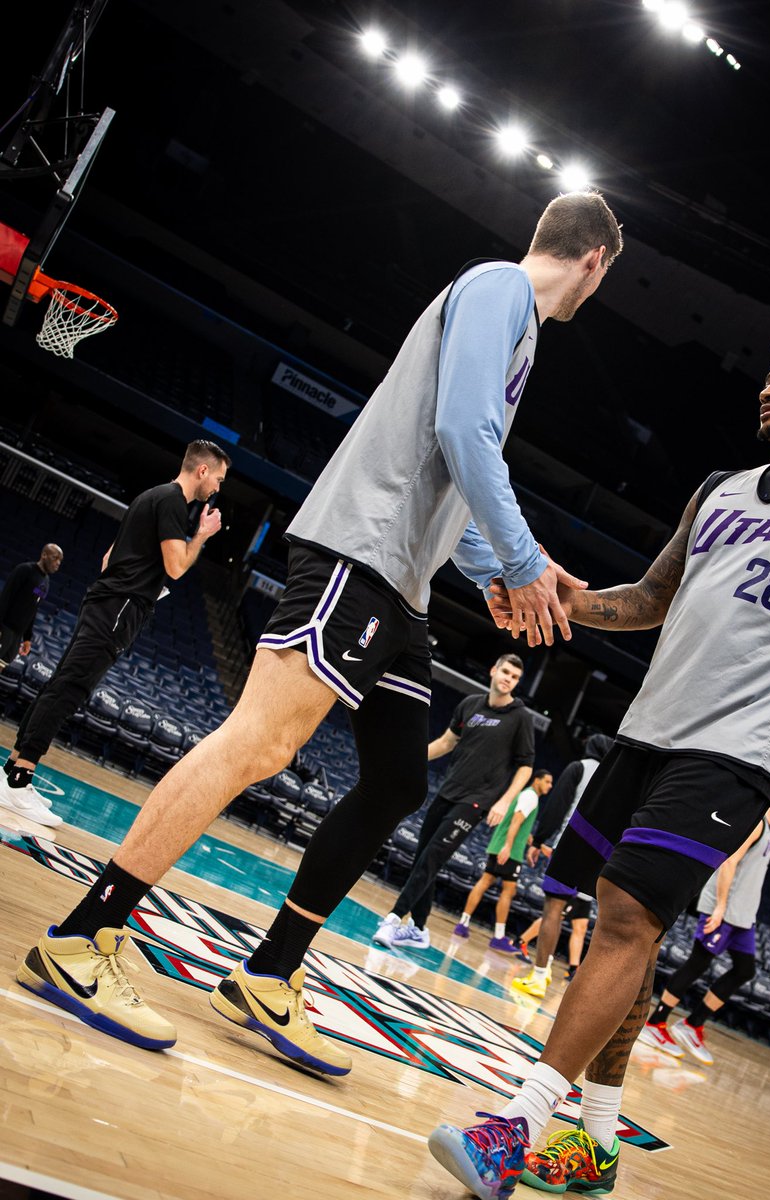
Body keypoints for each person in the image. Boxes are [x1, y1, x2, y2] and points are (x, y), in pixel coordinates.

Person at [14, 192, 623, 1071]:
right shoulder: (501, 288)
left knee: (397, 782)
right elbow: (463, 432)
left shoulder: (516, 323)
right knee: (258, 744)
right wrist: (525, 560)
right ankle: (83, 936)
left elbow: (453, 472)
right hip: (359, 555)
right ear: (595, 260)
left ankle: (270, 973)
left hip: (402, 588)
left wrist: (495, 568)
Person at [427, 328, 770, 1200]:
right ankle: (597, 1144)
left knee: (622, 918)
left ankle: (518, 1126)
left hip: (737, 753)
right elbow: (650, 597)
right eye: (766, 377)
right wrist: (562, 598)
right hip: (647, 733)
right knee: (631, 936)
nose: (767, 389)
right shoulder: (718, 488)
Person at [0, 441, 227, 829]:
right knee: (68, 690)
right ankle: (20, 779)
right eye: (218, 479)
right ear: (202, 471)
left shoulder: (151, 496)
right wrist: (202, 535)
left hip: (105, 602)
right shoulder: (173, 503)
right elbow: (176, 568)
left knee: (61, 685)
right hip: (118, 609)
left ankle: (13, 773)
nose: (218, 488)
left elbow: (108, 559)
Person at [373, 654, 537, 950]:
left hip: (476, 801)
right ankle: (419, 930)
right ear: (493, 670)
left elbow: (525, 767)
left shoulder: (520, 717)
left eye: (514, 677)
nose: (508, 679)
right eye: (505, 672)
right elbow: (447, 742)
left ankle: (394, 918)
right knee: (423, 857)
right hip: (448, 792)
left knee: (432, 858)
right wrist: (410, 759)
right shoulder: (470, 705)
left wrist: (503, 802)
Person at [640, 781, 770, 1064]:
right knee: (698, 963)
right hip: (725, 910)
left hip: (743, 917)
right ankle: (656, 1023)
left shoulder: (768, 830)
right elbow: (729, 862)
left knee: (745, 970)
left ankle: (692, 1025)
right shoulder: (756, 824)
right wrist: (720, 906)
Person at [513, 732, 614, 997]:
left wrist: (540, 840)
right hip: (598, 857)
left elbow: (557, 806)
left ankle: (539, 975)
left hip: (569, 847)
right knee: (571, 918)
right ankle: (549, 969)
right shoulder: (616, 779)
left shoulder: (579, 768)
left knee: (553, 910)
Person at [452, 767, 554, 952]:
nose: (550, 786)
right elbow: (516, 821)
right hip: (510, 850)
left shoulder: (526, 795)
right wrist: (508, 847)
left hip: (498, 844)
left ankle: (463, 923)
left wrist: (537, 845)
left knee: (485, 882)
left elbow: (521, 826)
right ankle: (498, 937)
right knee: (509, 890)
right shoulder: (531, 796)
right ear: (536, 780)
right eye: (547, 781)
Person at [0, 542, 63, 669]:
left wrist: (27, 638)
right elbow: (5, 597)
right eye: (55, 558)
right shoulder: (25, 570)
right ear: (44, 555)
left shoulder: (46, 582)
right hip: (5, 627)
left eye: (60, 561)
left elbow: (33, 609)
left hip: (17, 635)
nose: (58, 563)